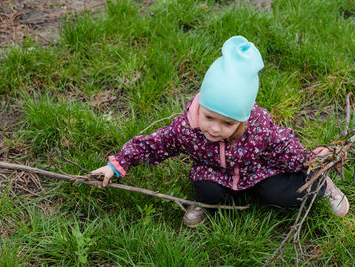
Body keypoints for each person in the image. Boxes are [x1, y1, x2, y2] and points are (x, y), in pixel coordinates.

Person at [92, 36, 349, 227]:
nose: (214, 128)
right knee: (207, 189)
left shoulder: (259, 128)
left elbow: (285, 148)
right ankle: (207, 204)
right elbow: (154, 144)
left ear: (243, 120)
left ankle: (321, 184)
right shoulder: (186, 128)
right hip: (215, 173)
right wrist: (116, 165)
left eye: (227, 124)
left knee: (281, 196)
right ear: (200, 105)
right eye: (209, 117)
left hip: (257, 172)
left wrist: (314, 160)